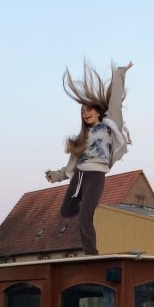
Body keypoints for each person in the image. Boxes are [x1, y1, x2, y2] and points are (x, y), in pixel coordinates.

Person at [45, 60, 133, 255]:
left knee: (85, 216)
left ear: (99, 111)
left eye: (89, 110)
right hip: (80, 175)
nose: (85, 114)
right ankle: (85, 205)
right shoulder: (82, 137)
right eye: (82, 112)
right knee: (66, 211)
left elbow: (116, 100)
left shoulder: (110, 125)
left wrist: (121, 74)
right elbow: (71, 166)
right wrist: (57, 175)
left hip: (96, 175)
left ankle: (91, 253)